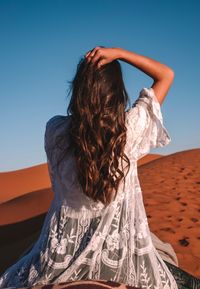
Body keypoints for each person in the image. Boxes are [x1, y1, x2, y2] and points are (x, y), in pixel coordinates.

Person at [0, 46, 199, 289]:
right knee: (169, 258)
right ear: (116, 92)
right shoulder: (130, 129)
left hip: (58, 254)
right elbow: (166, 75)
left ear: (78, 89)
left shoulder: (56, 132)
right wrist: (120, 53)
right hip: (120, 254)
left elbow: (57, 186)